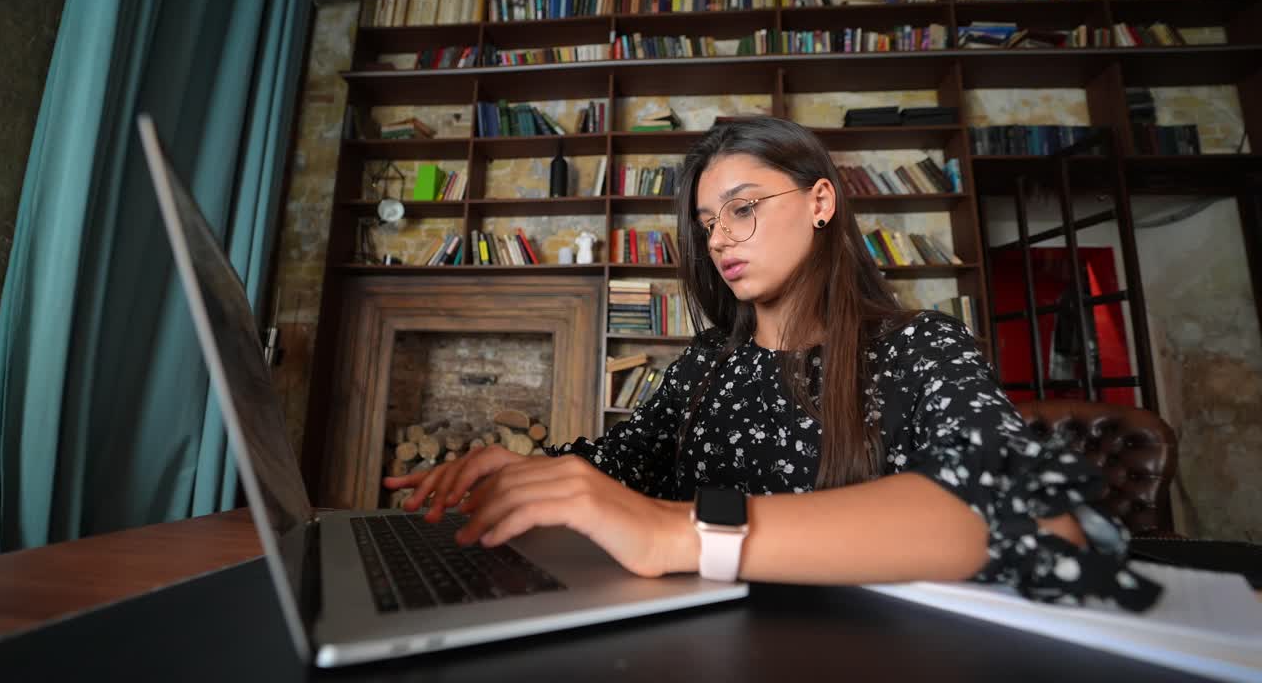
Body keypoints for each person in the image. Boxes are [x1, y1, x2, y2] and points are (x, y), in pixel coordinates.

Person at [384, 116, 1159, 610]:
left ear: (822, 202)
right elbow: (611, 466)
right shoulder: (702, 370)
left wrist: (684, 532)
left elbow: (1038, 519)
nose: (720, 238)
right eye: (706, 222)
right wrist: (522, 472)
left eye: (744, 208)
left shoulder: (921, 347)